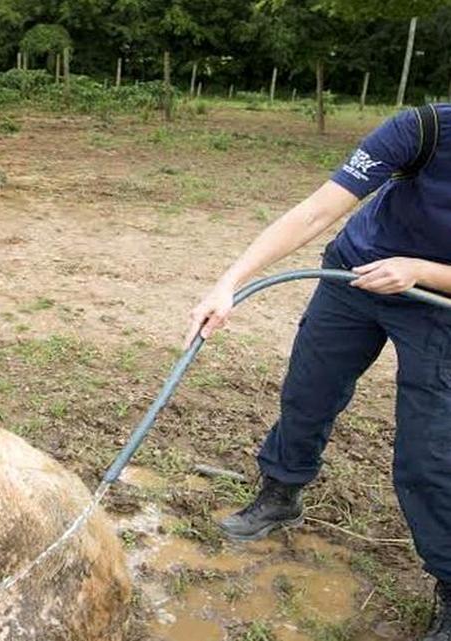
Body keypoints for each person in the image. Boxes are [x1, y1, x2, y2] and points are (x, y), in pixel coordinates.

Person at [187, 103, 451, 641]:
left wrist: (421, 270)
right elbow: (315, 211)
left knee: (429, 453)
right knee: (308, 393)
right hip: (354, 274)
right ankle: (281, 494)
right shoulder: (422, 128)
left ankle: (449, 580)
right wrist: (229, 281)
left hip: (438, 304)